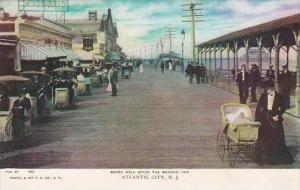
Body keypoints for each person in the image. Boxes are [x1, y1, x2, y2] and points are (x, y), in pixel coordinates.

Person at [255, 80, 294, 164]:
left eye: (268, 88)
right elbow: (258, 108)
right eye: (266, 88)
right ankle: (264, 158)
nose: (267, 90)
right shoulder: (263, 96)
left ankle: (276, 158)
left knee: (277, 137)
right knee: (264, 137)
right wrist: (257, 118)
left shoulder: (280, 96)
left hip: (275, 116)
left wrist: (278, 115)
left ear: (272, 87)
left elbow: (283, 108)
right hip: (265, 117)